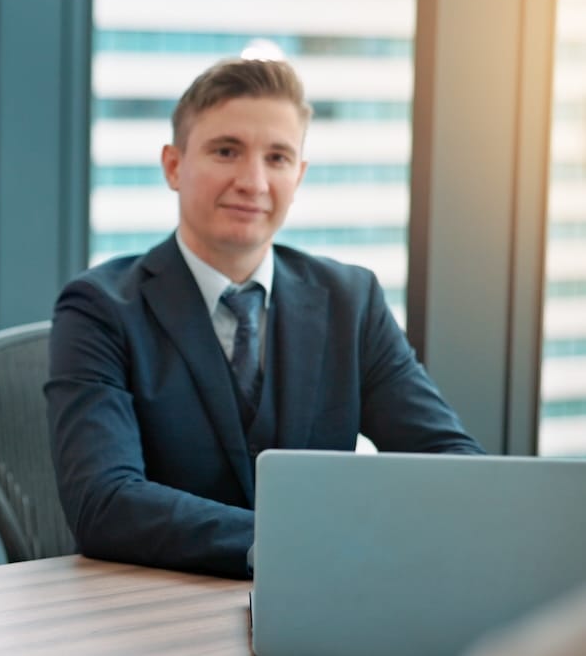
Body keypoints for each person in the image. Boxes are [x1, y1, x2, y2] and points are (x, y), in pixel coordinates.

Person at [46, 57, 483, 580]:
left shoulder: (351, 300)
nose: (253, 181)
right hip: (159, 612)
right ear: (173, 166)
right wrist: (301, 543)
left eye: (277, 158)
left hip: (322, 608)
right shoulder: (98, 310)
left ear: (297, 177)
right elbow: (106, 503)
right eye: (226, 151)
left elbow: (451, 466)